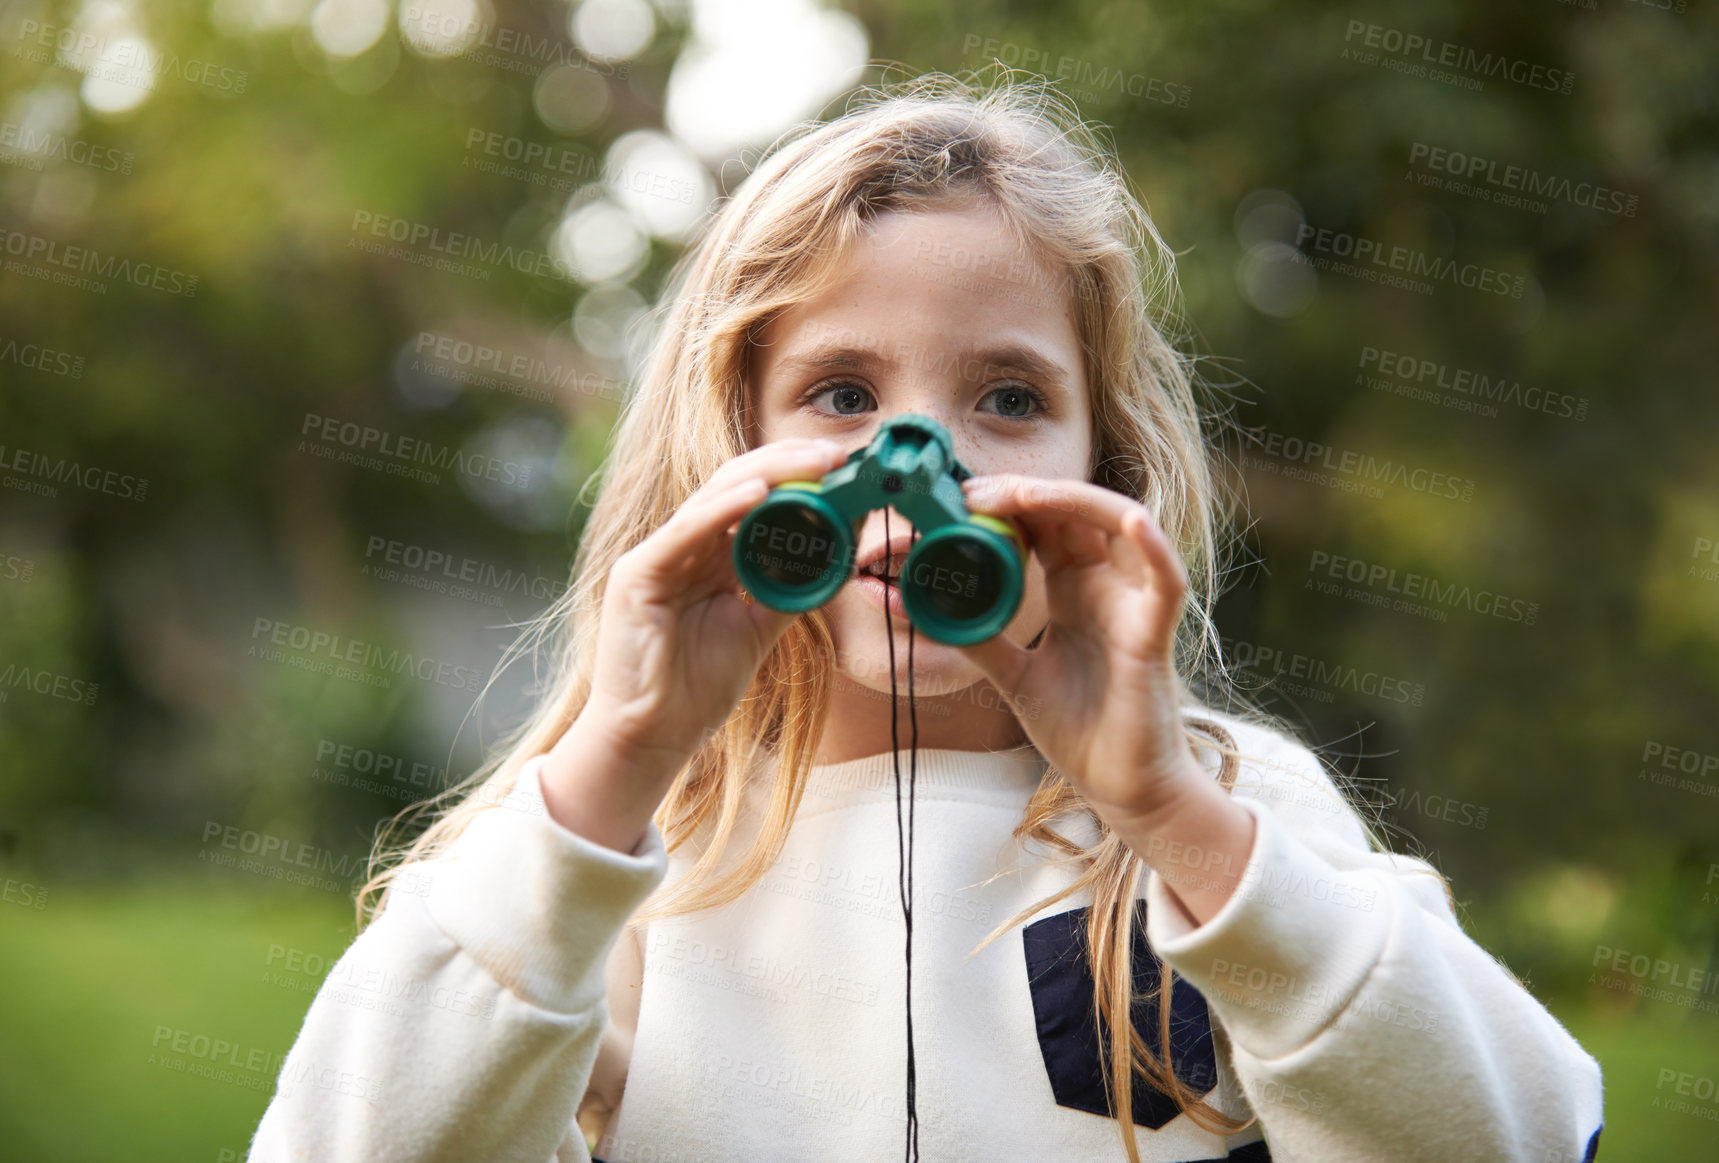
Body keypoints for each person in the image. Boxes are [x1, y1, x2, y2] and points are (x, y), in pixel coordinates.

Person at [248, 71, 1605, 1163]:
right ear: (732, 451)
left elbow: (1528, 1135)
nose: (925, 466)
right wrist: (616, 761)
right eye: (841, 395)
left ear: (1103, 469)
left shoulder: (1231, 814)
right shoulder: (616, 860)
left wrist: (1173, 816)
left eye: (1007, 399)